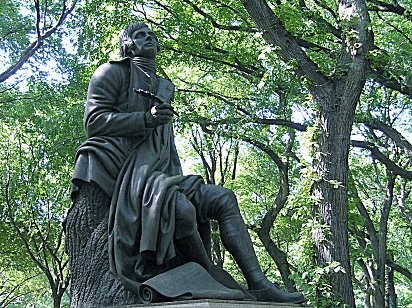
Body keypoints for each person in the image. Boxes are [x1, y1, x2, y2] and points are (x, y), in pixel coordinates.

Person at [69, 21, 304, 304]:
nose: (149, 39)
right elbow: (93, 121)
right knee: (179, 210)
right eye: (140, 35)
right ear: (128, 44)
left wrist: (175, 179)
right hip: (129, 174)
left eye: (153, 35)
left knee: (225, 199)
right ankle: (206, 274)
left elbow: (166, 148)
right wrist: (144, 119)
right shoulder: (111, 72)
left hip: (162, 175)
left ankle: (259, 283)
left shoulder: (164, 87)